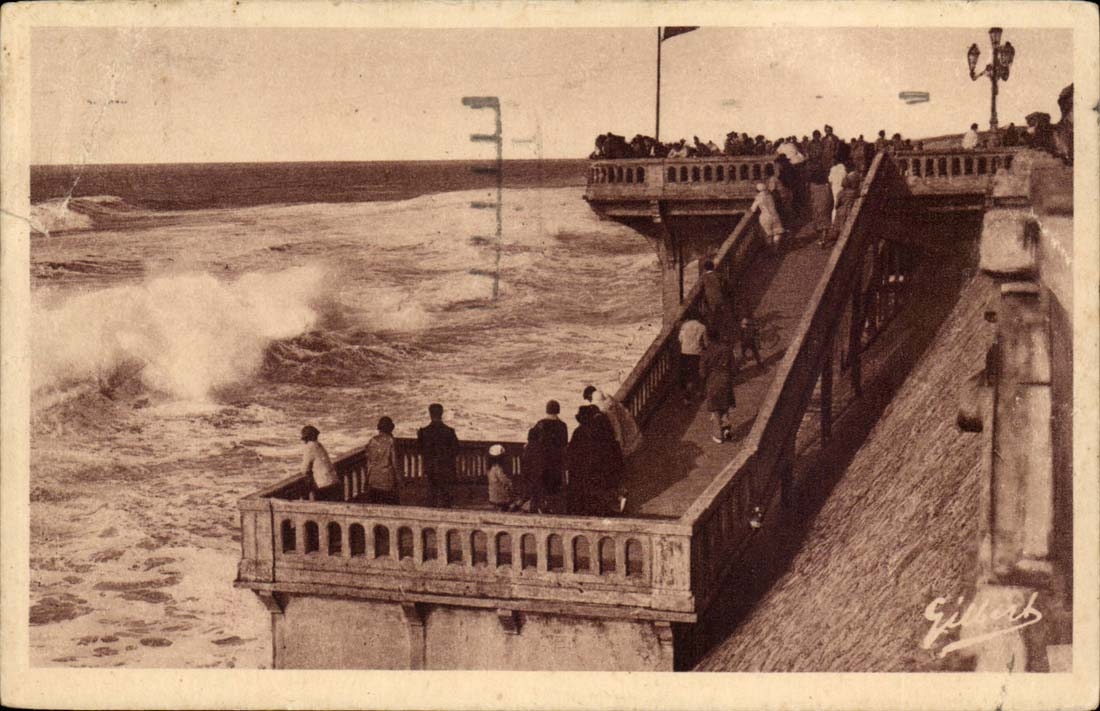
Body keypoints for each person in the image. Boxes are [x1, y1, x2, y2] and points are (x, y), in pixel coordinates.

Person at [565, 405, 624, 516]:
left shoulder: (580, 431)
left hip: (585, 471)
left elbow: (572, 451)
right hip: (600, 470)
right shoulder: (603, 429)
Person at [417, 403, 458, 508]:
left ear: (430, 414)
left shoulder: (423, 432)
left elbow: (420, 449)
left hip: (430, 468)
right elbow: (456, 450)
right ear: (442, 414)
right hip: (446, 468)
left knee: (431, 496)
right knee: (446, 497)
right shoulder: (449, 431)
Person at [583, 385, 642, 458]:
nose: (589, 401)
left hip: (613, 430)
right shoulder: (608, 398)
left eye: (588, 399)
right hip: (623, 428)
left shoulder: (598, 405)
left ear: (590, 395)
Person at [700, 328, 736, 443]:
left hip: (713, 381)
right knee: (725, 405)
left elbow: (703, 373)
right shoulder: (727, 349)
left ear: (708, 338)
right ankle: (727, 430)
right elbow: (734, 367)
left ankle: (718, 435)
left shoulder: (706, 352)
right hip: (726, 379)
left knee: (715, 409)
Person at [531, 400, 568, 506]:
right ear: (558, 410)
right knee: (554, 486)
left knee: (543, 484)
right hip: (556, 460)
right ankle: (553, 506)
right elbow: (564, 443)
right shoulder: (562, 425)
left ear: (547, 410)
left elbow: (533, 440)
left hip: (542, 460)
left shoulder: (540, 424)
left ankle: (543, 505)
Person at [364, 416, 400, 504]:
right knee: (391, 505)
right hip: (387, 480)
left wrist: (366, 480)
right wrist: (399, 479)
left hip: (373, 479)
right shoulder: (391, 441)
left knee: (375, 505)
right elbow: (394, 463)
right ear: (390, 428)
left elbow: (369, 464)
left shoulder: (372, 441)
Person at [299, 425, 340, 501]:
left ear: (306, 438)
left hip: (323, 485)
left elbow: (304, 469)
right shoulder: (319, 445)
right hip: (334, 482)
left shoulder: (309, 447)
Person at [700, 259, 736, 337]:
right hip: (720, 299)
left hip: (710, 301)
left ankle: (714, 334)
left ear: (705, 268)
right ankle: (724, 334)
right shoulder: (718, 275)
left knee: (712, 318)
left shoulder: (703, 277)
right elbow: (726, 285)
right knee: (721, 316)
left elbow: (701, 289)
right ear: (713, 267)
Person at [826, 170, 861, 247]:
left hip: (841, 211)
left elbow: (836, 204)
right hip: (851, 211)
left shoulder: (841, 193)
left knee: (838, 228)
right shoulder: (857, 192)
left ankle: (831, 241)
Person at [678, 310, 707, 402]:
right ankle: (699, 392)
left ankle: (686, 396)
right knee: (696, 374)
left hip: (684, 352)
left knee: (686, 374)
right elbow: (706, 343)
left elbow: (680, 339)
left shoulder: (684, 326)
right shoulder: (702, 327)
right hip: (696, 352)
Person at [750, 181, 784, 249]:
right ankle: (776, 248)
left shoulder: (758, 197)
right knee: (777, 232)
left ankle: (769, 249)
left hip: (765, 216)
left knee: (768, 234)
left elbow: (753, 209)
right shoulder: (770, 196)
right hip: (774, 215)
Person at [486, 444, 515, 512]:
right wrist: (511, 484)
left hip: (493, 495)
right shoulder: (498, 468)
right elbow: (504, 481)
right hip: (501, 496)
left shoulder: (490, 469)